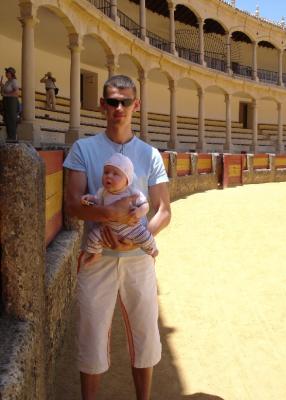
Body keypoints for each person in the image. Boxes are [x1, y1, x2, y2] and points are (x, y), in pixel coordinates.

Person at [64, 74, 171, 400]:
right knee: (92, 335)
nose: (119, 108)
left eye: (125, 102)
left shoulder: (150, 154)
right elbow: (72, 204)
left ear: (136, 105)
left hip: (138, 261)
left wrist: (137, 237)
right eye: (112, 101)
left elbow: (163, 210)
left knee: (146, 335)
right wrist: (109, 216)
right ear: (103, 105)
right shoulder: (83, 148)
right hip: (97, 261)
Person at [81, 152, 158, 266]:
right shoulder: (102, 192)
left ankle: (152, 250)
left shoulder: (132, 192)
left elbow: (145, 205)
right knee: (93, 236)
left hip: (131, 228)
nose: (109, 176)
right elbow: (97, 202)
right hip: (108, 229)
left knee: (146, 236)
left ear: (127, 180)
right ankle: (96, 253)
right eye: (106, 172)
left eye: (115, 174)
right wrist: (89, 199)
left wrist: (138, 212)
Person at [0, 67, 19, 141]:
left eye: (8, 72)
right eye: (6, 72)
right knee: (7, 119)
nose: (6, 73)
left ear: (11, 73)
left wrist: (5, 95)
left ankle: (12, 137)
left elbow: (16, 93)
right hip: (6, 101)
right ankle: (9, 137)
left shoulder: (14, 81)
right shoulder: (7, 81)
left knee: (11, 119)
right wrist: (2, 85)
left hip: (12, 101)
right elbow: (4, 91)